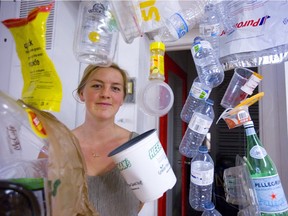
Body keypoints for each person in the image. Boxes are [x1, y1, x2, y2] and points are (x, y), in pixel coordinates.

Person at [72, 63, 143, 215]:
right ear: (81, 93)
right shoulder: (57, 144)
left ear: (123, 98)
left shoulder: (137, 145)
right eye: (97, 86)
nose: (105, 94)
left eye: (115, 88)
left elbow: (141, 200)